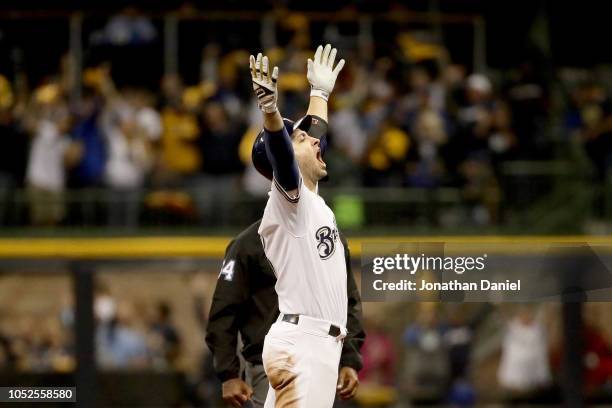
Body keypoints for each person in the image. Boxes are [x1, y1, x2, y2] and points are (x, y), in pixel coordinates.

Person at [249, 44, 349, 407]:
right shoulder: (287, 198)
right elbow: (284, 157)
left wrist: (319, 93)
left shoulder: (308, 198)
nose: (315, 138)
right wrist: (270, 112)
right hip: (303, 344)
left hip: (313, 344)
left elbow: (313, 131)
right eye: (302, 139)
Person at [206, 218, 365, 407]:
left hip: (325, 361)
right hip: (271, 365)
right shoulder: (249, 243)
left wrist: (349, 360)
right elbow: (224, 310)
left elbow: (347, 302)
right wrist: (228, 374)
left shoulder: (329, 237)